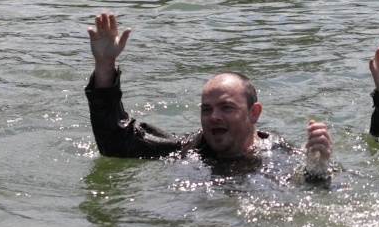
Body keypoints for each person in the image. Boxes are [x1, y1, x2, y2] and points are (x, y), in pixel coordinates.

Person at [84, 11, 332, 179]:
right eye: (206, 109)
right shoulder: (190, 150)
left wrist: (317, 167)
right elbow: (115, 143)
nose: (214, 117)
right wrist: (105, 64)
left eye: (226, 108)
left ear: (253, 113)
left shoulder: (278, 154)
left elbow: (318, 196)